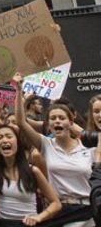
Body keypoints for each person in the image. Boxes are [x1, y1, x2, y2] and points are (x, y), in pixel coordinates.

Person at [0, 113, 61, 224]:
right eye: (0, 137)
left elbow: (56, 203)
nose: (5, 140)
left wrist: (39, 217)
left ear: (17, 142)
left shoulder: (32, 171)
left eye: (9, 136)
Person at [14, 75, 93, 207]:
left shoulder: (88, 147)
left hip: (88, 208)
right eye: (53, 118)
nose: (57, 121)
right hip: (60, 209)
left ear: (71, 122)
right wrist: (18, 91)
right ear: (48, 124)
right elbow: (21, 122)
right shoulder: (46, 144)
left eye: (62, 118)